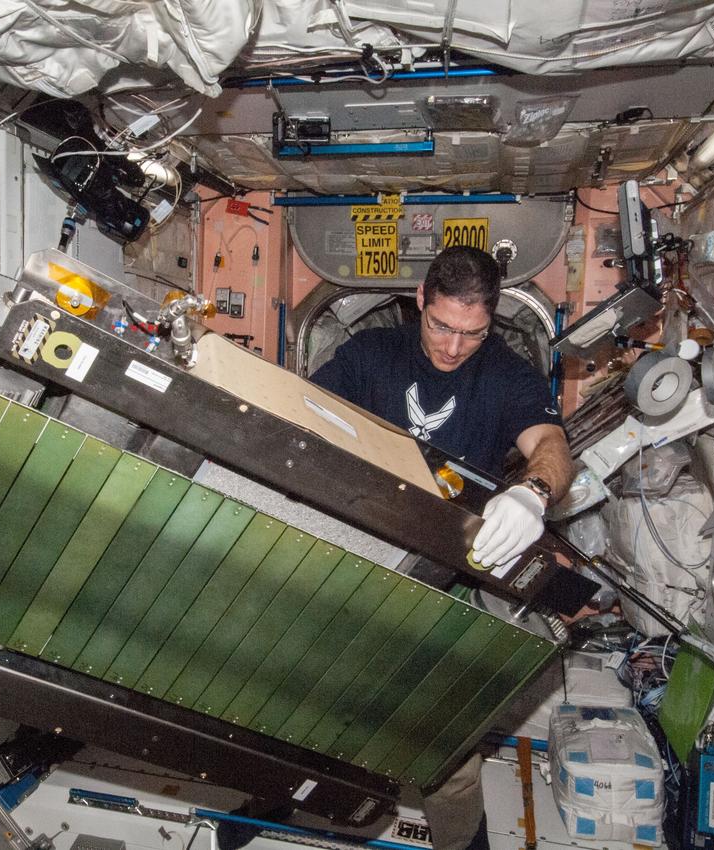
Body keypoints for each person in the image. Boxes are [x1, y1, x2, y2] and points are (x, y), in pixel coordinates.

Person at [309, 244, 574, 850]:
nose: (453, 347)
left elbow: (552, 447)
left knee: (439, 731)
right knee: (308, 691)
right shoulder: (372, 353)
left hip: (438, 573)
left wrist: (532, 493)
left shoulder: (507, 375)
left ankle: (462, 842)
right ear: (420, 301)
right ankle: (273, 790)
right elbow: (307, 414)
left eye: (472, 334)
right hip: (353, 548)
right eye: (441, 326)